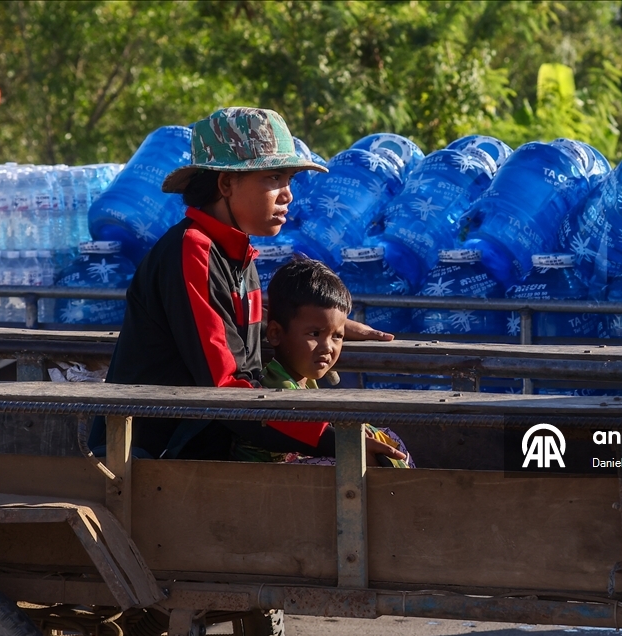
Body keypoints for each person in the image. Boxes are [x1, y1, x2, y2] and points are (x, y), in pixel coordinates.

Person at [91, 107, 394, 460]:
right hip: (154, 454)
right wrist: (332, 439)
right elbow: (226, 385)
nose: (287, 195)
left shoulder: (238, 255)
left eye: (289, 180)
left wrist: (327, 327)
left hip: (214, 441)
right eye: (273, 178)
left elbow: (233, 337)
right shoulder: (193, 250)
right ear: (225, 184)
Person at [231, 257, 411, 466]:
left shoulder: (303, 381)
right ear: (275, 333)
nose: (327, 347)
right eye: (315, 334)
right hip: (264, 484)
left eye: (337, 336)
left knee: (384, 437)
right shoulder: (276, 387)